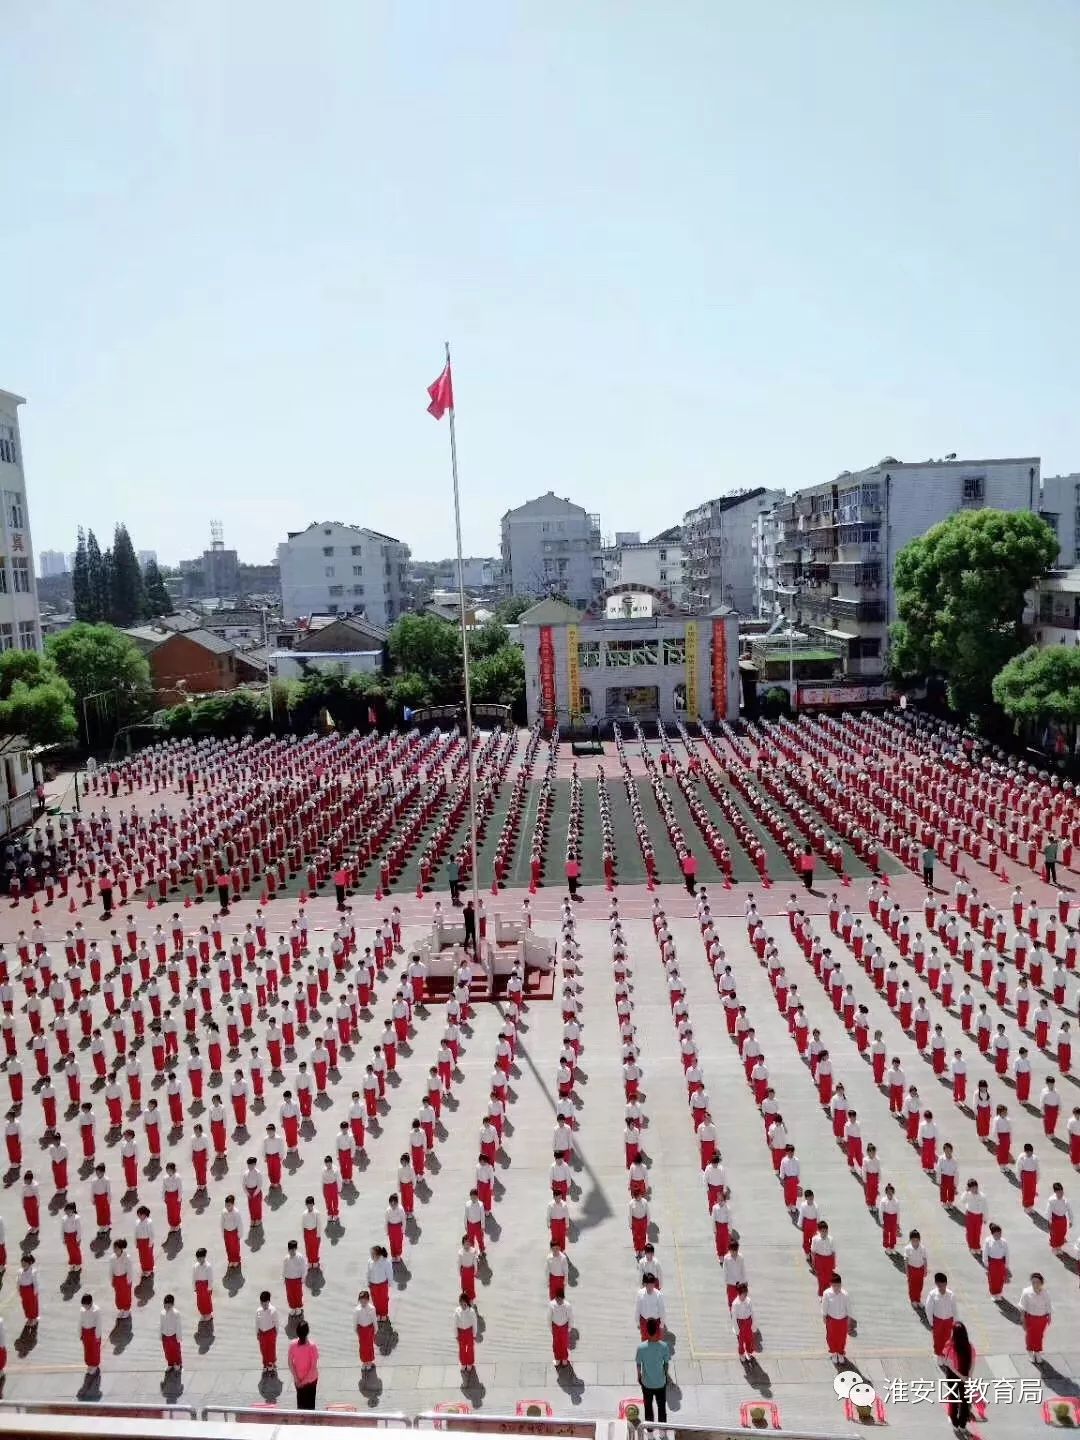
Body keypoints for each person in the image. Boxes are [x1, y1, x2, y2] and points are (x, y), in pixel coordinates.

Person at [941, 1321, 975, 1433]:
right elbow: (972, 1363)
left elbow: (948, 1364)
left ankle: (955, 1424)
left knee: (953, 1399)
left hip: (953, 1377)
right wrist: (968, 1377)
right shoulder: (970, 1347)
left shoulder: (950, 1346)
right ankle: (962, 1425)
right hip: (965, 1376)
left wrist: (960, 1376)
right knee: (965, 1401)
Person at [635, 1316, 671, 1423]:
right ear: (657, 1330)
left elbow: (638, 1364)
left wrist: (639, 1376)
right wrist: (664, 1375)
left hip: (646, 1384)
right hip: (660, 1383)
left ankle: (650, 1432)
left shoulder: (641, 1348)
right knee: (661, 1407)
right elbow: (666, 1364)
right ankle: (662, 1431)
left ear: (646, 1330)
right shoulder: (664, 1347)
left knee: (648, 1407)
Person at [288, 1317, 319, 1410]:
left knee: (300, 1403)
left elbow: (290, 1363)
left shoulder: (292, 1345)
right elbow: (313, 1367)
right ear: (307, 1332)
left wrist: (297, 1379)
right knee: (310, 1404)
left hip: (298, 1379)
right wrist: (304, 1382)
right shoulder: (312, 1346)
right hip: (311, 1381)